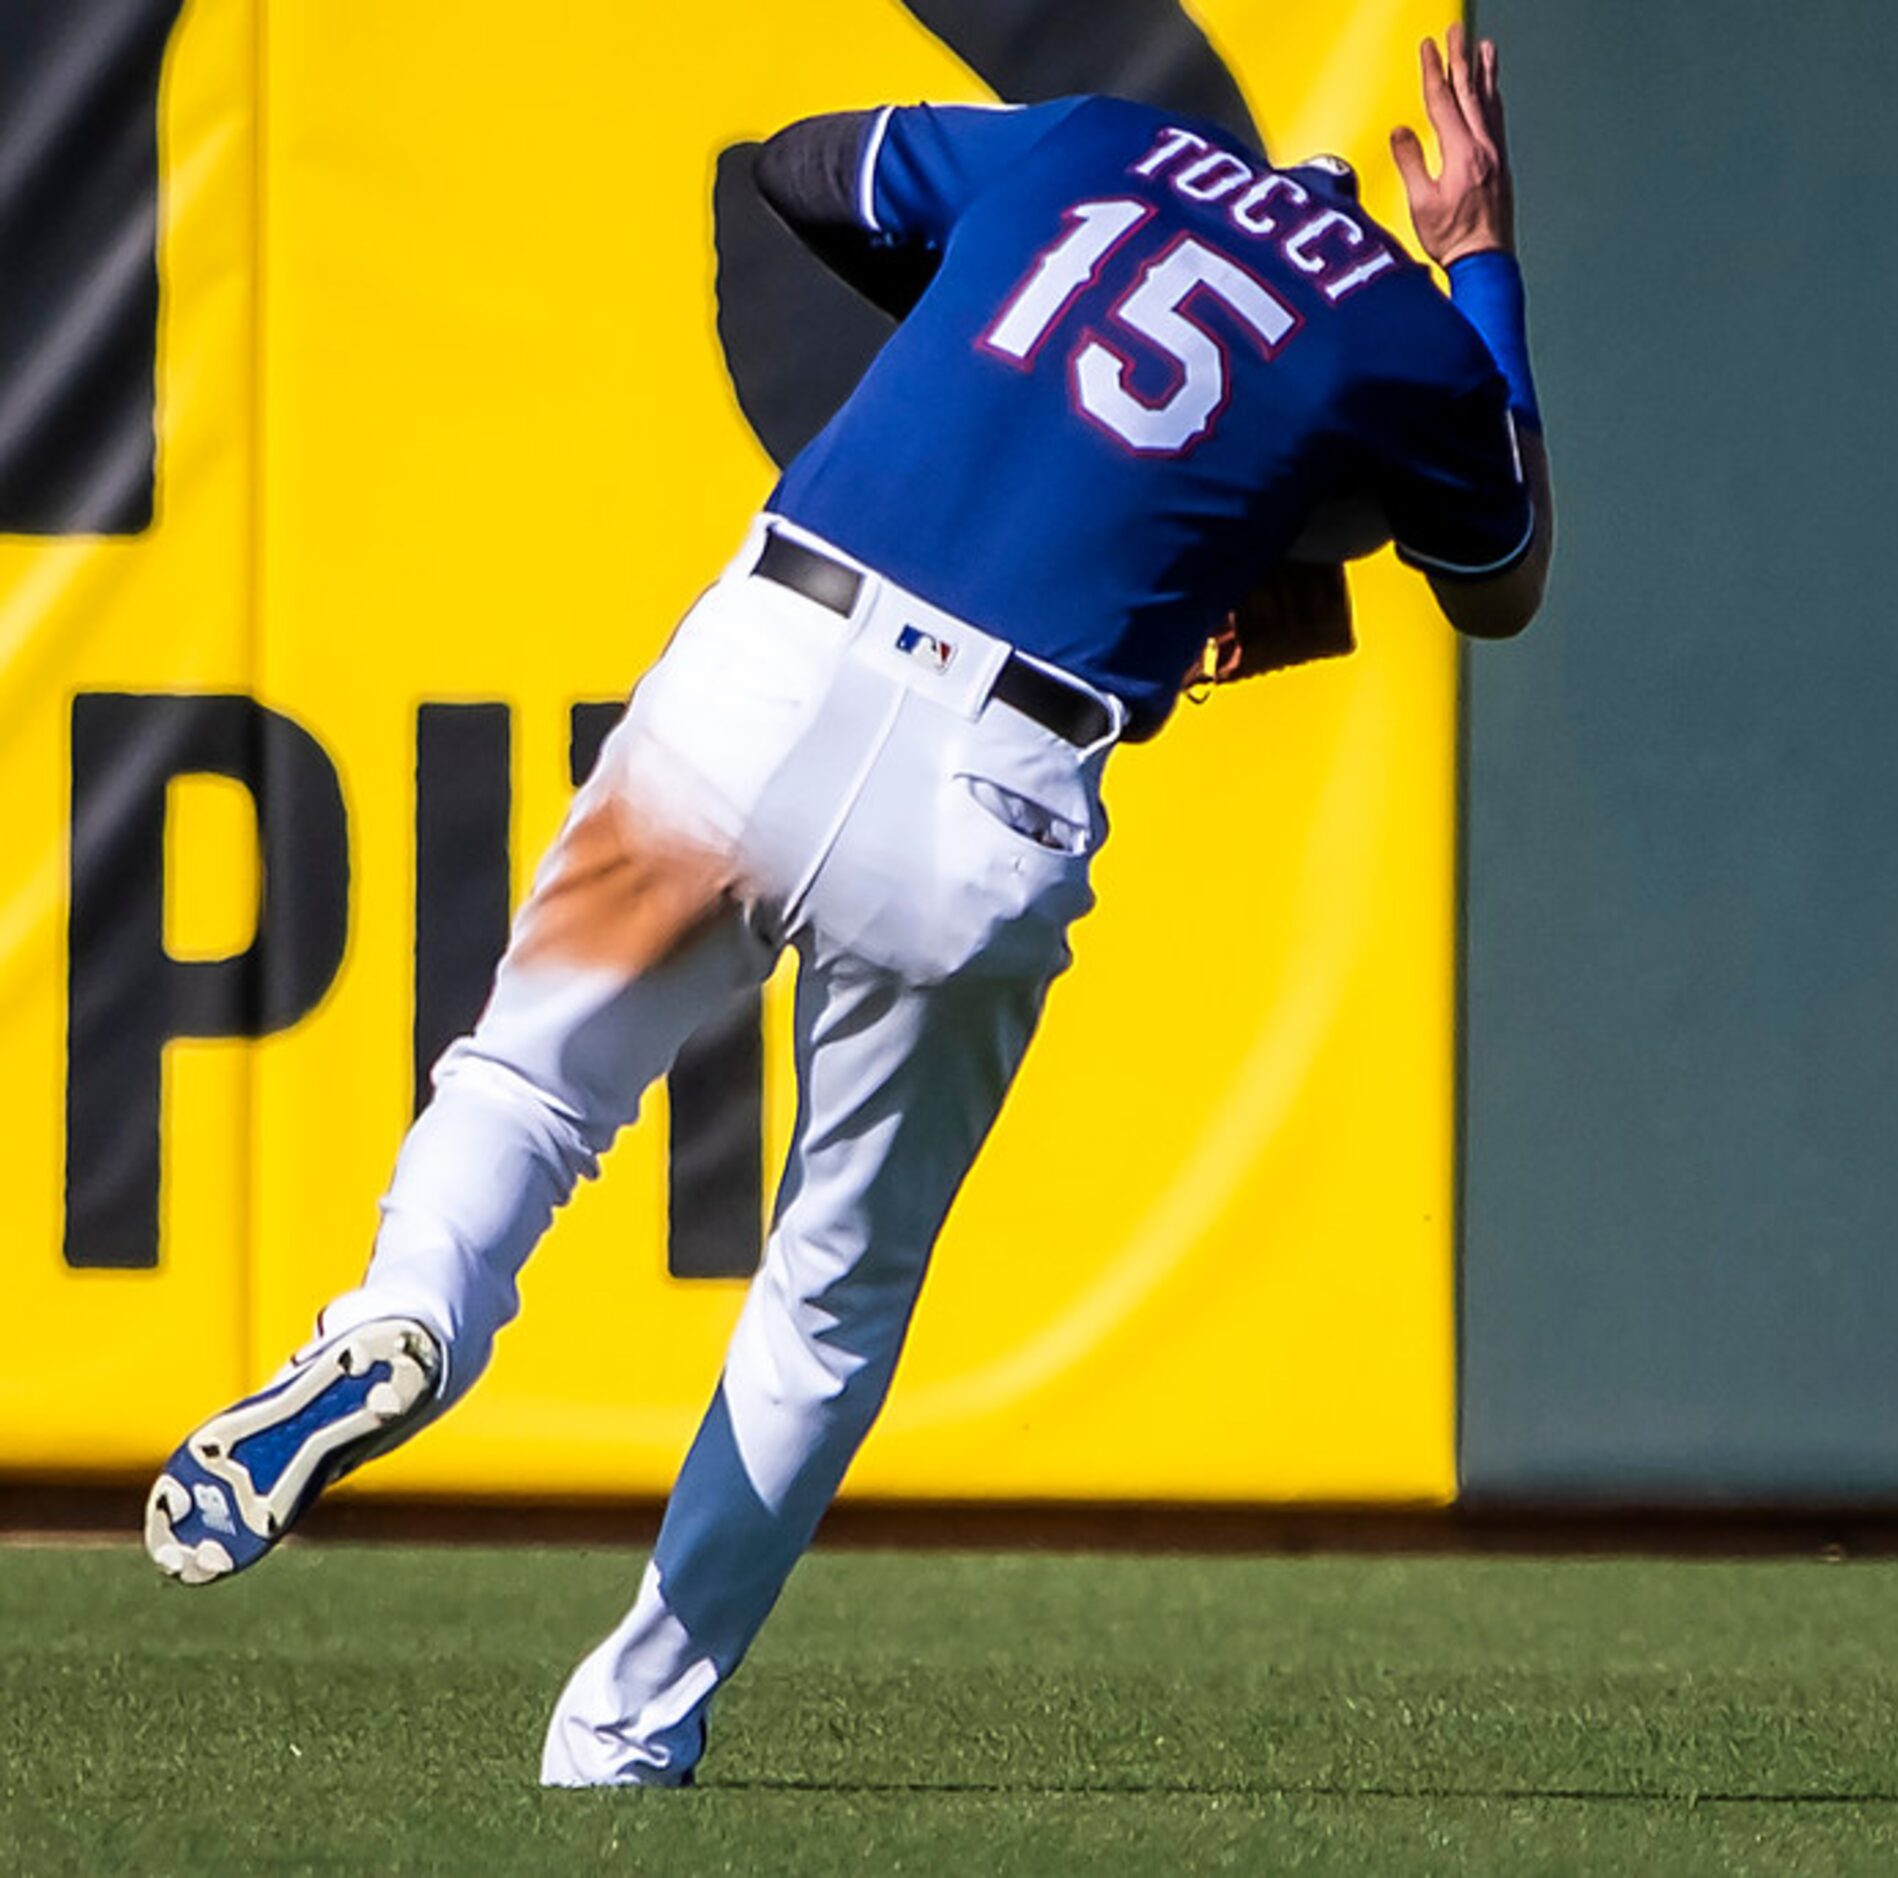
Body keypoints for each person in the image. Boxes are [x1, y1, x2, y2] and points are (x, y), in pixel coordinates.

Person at [140, 27, 1550, 1789]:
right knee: (829, 1296)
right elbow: (1502, 573)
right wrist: (1481, 245)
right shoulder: (1390, 322)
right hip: (1001, 776)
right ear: (1361, 222)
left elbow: (807, 168)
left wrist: (959, 354)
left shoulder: (1093, 147)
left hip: (779, 645)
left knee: (525, 1082)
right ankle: (625, 1724)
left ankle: (397, 1320)